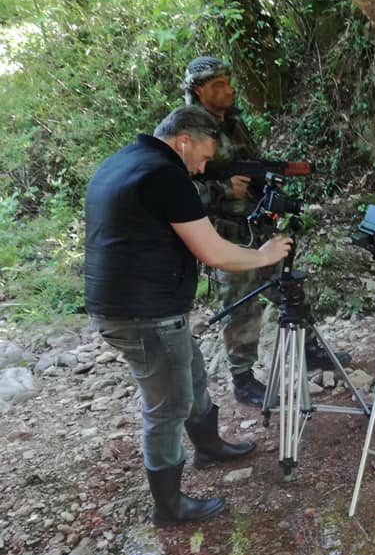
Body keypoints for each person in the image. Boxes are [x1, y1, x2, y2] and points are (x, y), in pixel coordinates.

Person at [84, 105, 293, 526]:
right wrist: (263, 254)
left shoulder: (124, 161)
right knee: (167, 405)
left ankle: (209, 446)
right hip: (143, 313)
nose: (203, 167)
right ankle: (170, 506)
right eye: (203, 155)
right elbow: (214, 252)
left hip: (133, 304)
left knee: (192, 371)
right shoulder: (166, 175)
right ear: (183, 141)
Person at [182, 56, 349, 407]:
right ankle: (242, 379)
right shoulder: (187, 130)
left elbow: (252, 164)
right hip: (224, 233)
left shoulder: (235, 123)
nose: (228, 91)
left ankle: (309, 349)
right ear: (198, 91)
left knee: (288, 284)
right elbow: (179, 190)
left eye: (228, 83)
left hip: (256, 224)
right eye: (217, 86)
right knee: (240, 305)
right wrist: (224, 190)